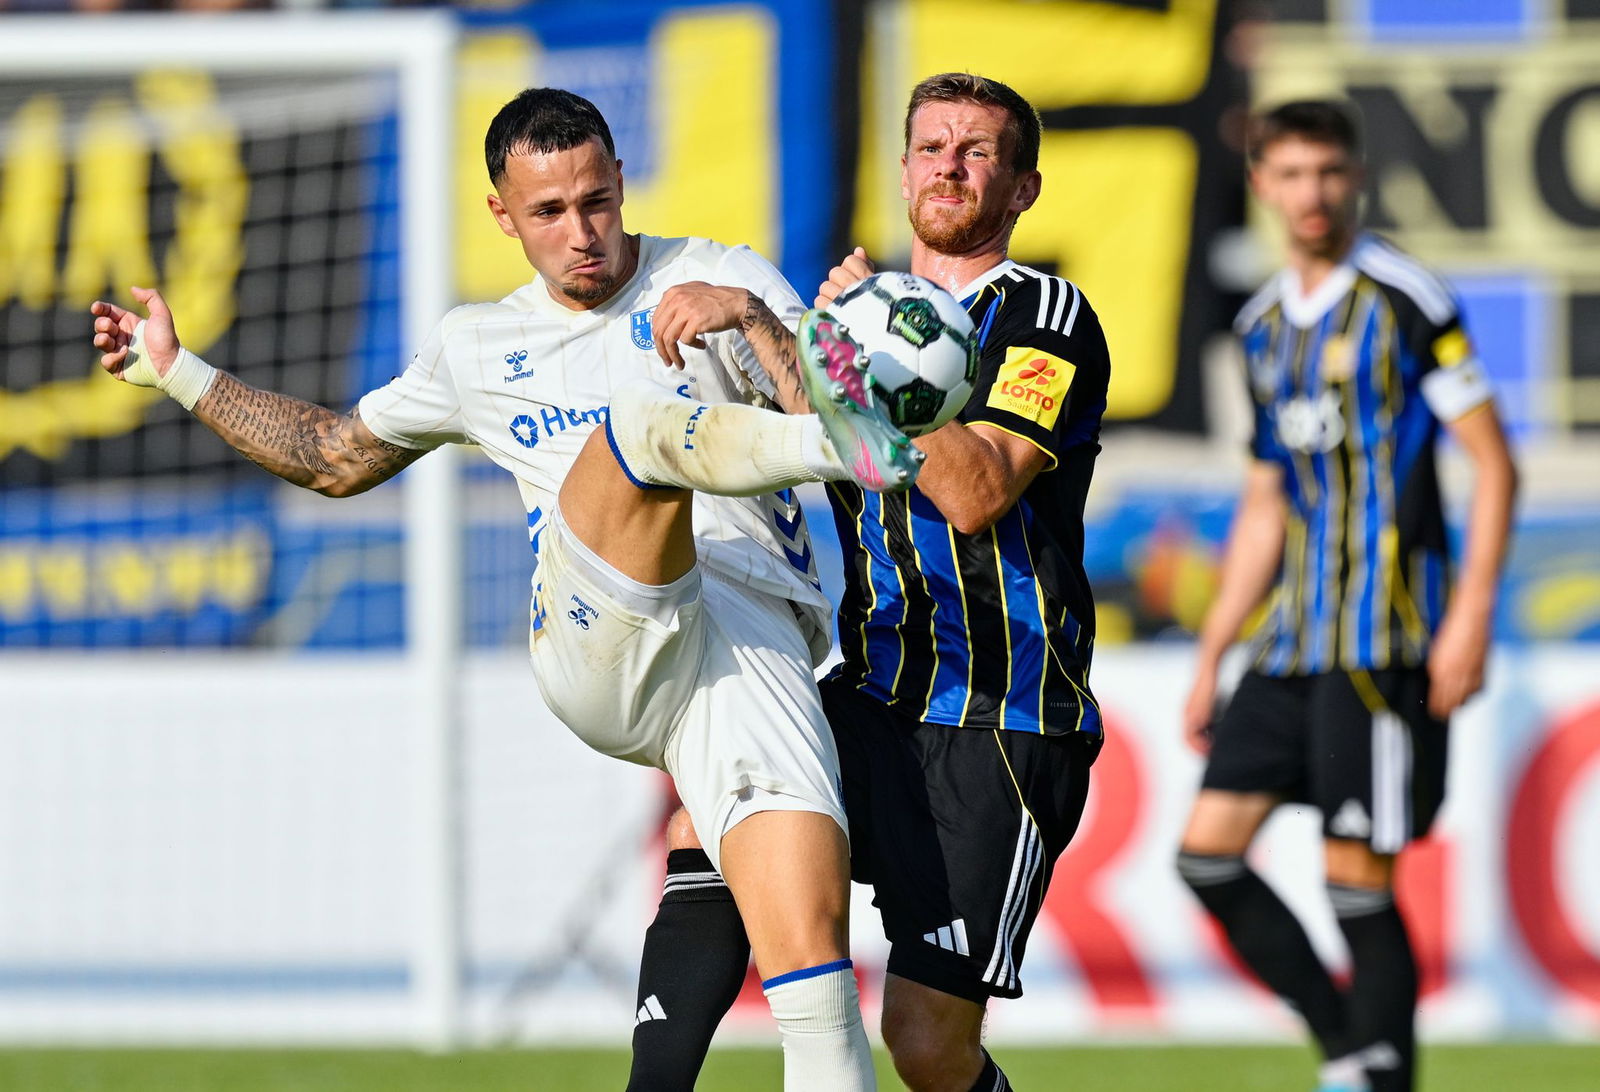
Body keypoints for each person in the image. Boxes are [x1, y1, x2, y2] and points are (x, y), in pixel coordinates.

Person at [87, 86, 929, 1092]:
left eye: (595, 202)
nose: (581, 233)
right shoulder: (475, 347)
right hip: (596, 631)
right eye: (548, 212)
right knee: (642, 431)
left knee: (819, 994)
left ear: (620, 181)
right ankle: (845, 452)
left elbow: (809, 386)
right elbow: (331, 456)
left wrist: (750, 318)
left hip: (746, 642)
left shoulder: (718, 275)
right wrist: (180, 372)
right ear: (502, 214)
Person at [627, 72, 1109, 1092]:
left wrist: (880, 352)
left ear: (1021, 188)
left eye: (978, 151)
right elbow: (829, 439)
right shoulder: (866, 315)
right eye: (932, 146)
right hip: (875, 690)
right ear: (901, 171)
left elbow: (975, 492)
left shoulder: (1045, 315)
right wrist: (770, 326)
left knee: (928, 1050)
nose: (951, 165)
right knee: (712, 816)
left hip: (1000, 719)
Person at [1175, 100, 1517, 1092]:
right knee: (1206, 858)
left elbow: (1491, 466)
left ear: (1354, 178)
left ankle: (1377, 1073)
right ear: (1262, 184)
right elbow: (1265, 500)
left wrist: (1470, 615)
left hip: (1387, 638)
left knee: (1355, 879)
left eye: (1328, 172)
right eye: (1290, 173)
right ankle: (1351, 1054)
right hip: (1287, 644)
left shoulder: (1406, 299)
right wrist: (1211, 655)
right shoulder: (1258, 326)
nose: (1311, 193)